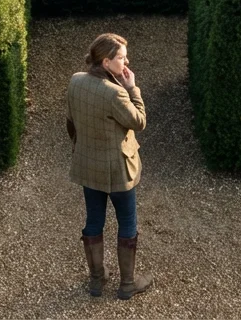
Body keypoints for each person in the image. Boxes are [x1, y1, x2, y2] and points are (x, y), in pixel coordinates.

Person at [65, 33, 153, 300]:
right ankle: (127, 283)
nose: (126, 62)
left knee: (94, 220)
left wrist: (83, 148)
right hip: (118, 169)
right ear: (106, 62)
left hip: (88, 164)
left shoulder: (76, 81)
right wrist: (132, 88)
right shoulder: (116, 93)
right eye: (122, 58)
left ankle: (96, 280)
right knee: (127, 221)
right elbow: (139, 122)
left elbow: (71, 122)